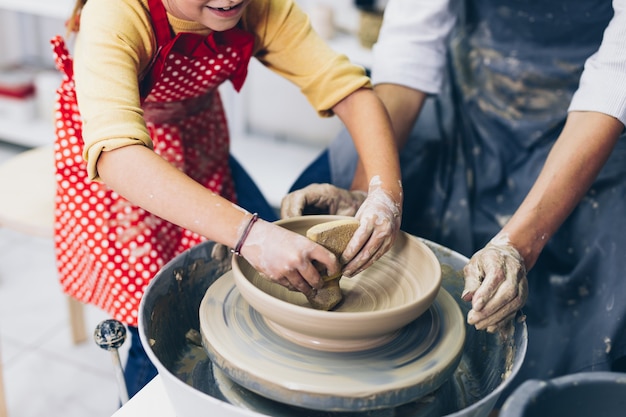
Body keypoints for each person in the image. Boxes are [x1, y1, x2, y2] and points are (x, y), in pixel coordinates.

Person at [51, 0, 403, 398]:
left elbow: (352, 91)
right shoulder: (116, 12)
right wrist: (252, 235)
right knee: (155, 316)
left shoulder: (259, 7)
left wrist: (383, 195)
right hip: (122, 169)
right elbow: (117, 155)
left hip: (198, 138)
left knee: (266, 262)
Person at [282, 0, 626, 404]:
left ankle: (529, 395)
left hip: (596, 120)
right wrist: (368, 195)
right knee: (339, 179)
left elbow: (614, 80)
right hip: (472, 91)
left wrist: (516, 245)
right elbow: (412, 42)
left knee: (607, 248)